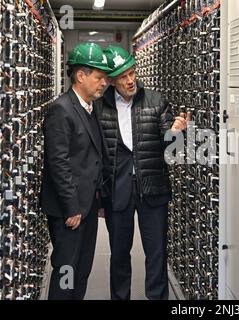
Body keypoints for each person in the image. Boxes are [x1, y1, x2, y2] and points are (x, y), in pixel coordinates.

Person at [95, 45, 189, 300]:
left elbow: (173, 151)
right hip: (118, 191)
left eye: (132, 73)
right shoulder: (100, 108)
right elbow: (98, 157)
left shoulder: (156, 101)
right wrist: (100, 196)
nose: (130, 80)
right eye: (123, 76)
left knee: (156, 252)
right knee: (119, 255)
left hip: (152, 188)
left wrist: (178, 134)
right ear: (111, 80)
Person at [40, 43, 111, 300]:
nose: (104, 83)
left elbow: (93, 157)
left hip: (87, 205)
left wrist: (98, 200)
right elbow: (58, 163)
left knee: (82, 269)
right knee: (67, 270)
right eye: (99, 77)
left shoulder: (90, 107)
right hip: (69, 210)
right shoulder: (62, 109)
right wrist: (72, 208)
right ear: (81, 76)